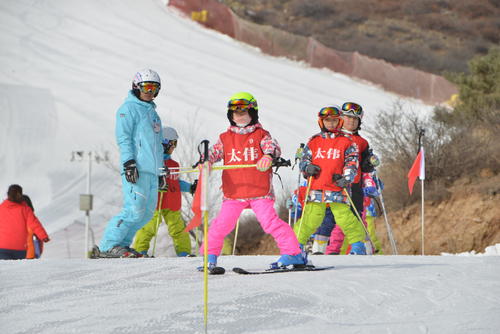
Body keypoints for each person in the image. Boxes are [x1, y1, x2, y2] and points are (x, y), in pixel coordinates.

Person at [201, 92, 305, 269]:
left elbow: (272, 147)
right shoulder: (225, 138)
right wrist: (205, 161)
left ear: (253, 113)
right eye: (236, 113)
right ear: (230, 116)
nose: (239, 117)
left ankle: (293, 253)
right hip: (235, 193)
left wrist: (268, 156)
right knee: (221, 225)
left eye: (244, 113)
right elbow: (214, 152)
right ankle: (209, 256)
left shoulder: (261, 135)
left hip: (259, 191)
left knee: (270, 223)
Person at [98, 69, 165, 258]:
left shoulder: (153, 114)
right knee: (133, 210)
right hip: (136, 169)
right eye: (146, 87)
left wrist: (161, 172)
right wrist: (129, 162)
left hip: (152, 172)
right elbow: (124, 138)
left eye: (154, 88)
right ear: (136, 86)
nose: (150, 92)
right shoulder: (128, 109)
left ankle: (123, 245)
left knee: (146, 214)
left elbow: (158, 147)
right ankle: (108, 245)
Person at [293, 105, 367, 255]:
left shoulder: (346, 142)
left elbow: (352, 162)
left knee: (345, 218)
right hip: (317, 187)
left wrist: (346, 178)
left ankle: (358, 246)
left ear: (339, 121)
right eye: (327, 121)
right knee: (310, 218)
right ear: (321, 122)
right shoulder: (314, 141)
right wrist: (307, 168)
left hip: (336, 187)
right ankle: (294, 247)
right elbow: (305, 159)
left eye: (334, 121)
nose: (331, 124)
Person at [133, 127, 196, 257]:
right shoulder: (150, 161)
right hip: (154, 202)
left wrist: (190, 188)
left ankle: (184, 253)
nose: (175, 147)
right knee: (149, 227)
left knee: (178, 229)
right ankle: (140, 251)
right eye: (173, 144)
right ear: (164, 143)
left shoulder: (173, 164)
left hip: (172, 202)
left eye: (175, 144)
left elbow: (175, 182)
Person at [0, 185, 50, 260]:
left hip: (2, 247)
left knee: (7, 270)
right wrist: (44, 236)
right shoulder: (25, 209)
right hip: (20, 248)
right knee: (19, 270)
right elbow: (34, 224)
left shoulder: (1, 208)